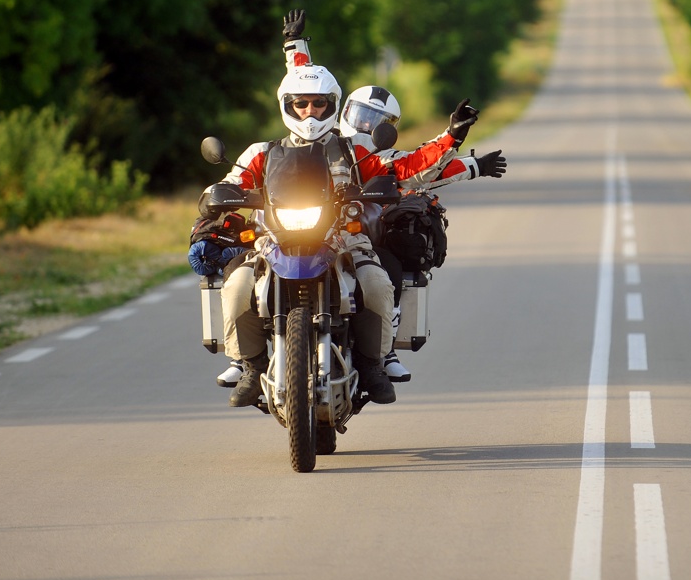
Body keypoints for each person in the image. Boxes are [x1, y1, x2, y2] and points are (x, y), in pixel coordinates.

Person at [192, 62, 479, 408]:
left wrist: (451, 137)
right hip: (273, 241)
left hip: (343, 240)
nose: (309, 111)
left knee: (376, 282)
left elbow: (407, 167)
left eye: (318, 103)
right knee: (237, 285)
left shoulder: (354, 148)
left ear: (332, 104)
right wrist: (213, 197)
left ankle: (373, 365)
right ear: (287, 105)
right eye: (301, 103)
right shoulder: (261, 152)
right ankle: (250, 365)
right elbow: (229, 184)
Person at [338, 84, 508, 380]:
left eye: (376, 121)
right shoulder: (301, 148)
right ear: (344, 112)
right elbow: (303, 85)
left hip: (359, 237)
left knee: (387, 269)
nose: (366, 126)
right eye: (362, 116)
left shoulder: (372, 155)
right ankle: (248, 359)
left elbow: (416, 170)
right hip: (300, 233)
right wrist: (294, 47)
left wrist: (462, 150)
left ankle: (383, 351)